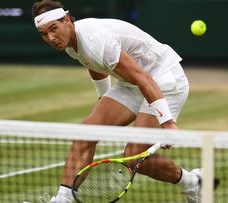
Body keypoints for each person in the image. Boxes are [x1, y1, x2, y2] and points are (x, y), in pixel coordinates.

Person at [32, 1, 201, 202]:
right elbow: (94, 64)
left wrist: (167, 123)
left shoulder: (94, 40)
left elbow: (143, 78)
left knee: (135, 158)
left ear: (67, 20)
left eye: (53, 29)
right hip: (132, 84)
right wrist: (103, 98)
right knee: (86, 133)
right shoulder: (71, 43)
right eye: (44, 34)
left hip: (163, 79)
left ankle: (193, 183)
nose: (51, 38)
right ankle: (63, 199)